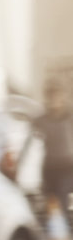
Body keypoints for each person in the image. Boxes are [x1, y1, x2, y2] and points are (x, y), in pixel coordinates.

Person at [39, 82, 73, 214]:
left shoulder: (70, 117)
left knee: (62, 196)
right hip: (49, 166)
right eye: (51, 96)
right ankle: (57, 229)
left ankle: (64, 227)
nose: (54, 100)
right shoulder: (41, 120)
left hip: (67, 166)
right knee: (50, 199)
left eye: (57, 96)